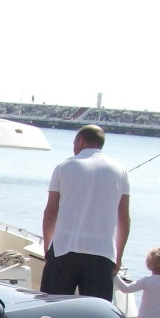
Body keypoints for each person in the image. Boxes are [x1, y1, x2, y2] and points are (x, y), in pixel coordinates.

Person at [40, 124, 131, 301]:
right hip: (102, 252)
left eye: (74, 142)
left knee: (51, 308)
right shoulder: (120, 170)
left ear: (81, 140)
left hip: (64, 248)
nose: (73, 147)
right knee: (96, 313)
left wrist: (47, 245)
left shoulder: (64, 167)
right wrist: (118, 256)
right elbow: (124, 218)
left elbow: (50, 211)